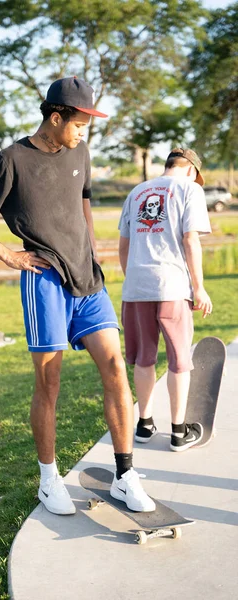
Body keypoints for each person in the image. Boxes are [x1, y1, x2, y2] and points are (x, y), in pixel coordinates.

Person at [0, 76, 155, 515]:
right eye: (79, 122)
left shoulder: (79, 150)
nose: (84, 131)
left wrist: (91, 247)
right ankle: (49, 479)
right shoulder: (12, 160)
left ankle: (125, 475)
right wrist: (7, 254)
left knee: (117, 368)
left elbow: (81, 199)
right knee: (50, 382)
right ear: (55, 116)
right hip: (44, 280)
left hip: (89, 278)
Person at [118, 148, 212, 452]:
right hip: (172, 285)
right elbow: (190, 239)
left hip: (137, 288)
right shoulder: (189, 190)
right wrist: (199, 287)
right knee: (179, 360)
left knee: (144, 358)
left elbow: (124, 244)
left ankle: (144, 424)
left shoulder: (137, 192)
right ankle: (178, 432)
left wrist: (134, 278)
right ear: (190, 170)